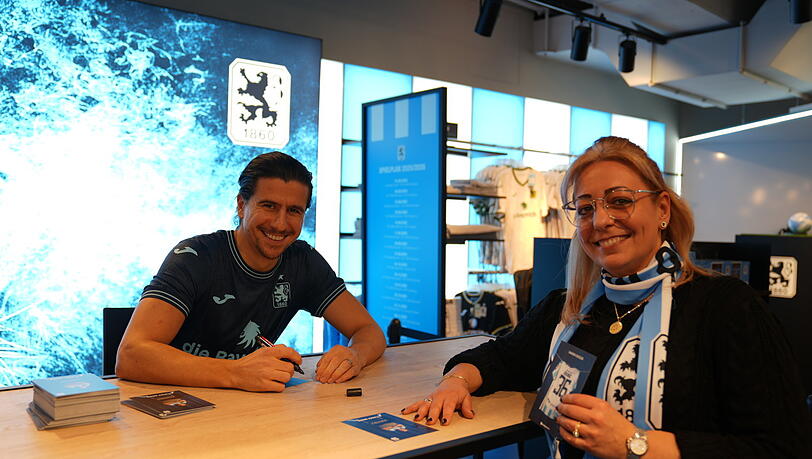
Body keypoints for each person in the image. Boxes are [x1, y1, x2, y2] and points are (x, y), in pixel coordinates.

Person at [403, 137, 812, 458]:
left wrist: (636, 444)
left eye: (620, 201)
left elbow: (782, 447)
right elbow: (500, 357)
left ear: (662, 209)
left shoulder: (726, 308)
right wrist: (454, 383)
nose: (600, 221)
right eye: (585, 209)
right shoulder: (569, 309)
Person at [117, 152, 386, 392]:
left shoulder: (303, 261)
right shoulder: (195, 257)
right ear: (242, 205)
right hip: (173, 407)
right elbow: (131, 355)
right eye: (268, 206)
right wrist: (236, 373)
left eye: (294, 211)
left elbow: (369, 331)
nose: (281, 224)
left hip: (248, 411)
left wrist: (355, 356)